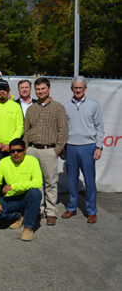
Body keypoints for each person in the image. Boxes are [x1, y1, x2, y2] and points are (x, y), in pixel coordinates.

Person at [24, 77, 68, 225]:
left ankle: (51, 212)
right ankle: (38, 209)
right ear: (34, 91)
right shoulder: (31, 109)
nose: (40, 91)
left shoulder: (58, 107)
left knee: (50, 182)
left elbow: (63, 130)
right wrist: (26, 148)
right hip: (32, 150)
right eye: (38, 89)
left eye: (43, 88)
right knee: (36, 183)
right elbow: (26, 130)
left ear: (48, 89)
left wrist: (57, 150)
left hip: (49, 150)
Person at [62, 76, 104, 224]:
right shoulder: (65, 106)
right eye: (75, 87)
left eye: (80, 88)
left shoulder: (94, 105)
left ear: (85, 89)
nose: (78, 90)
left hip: (88, 147)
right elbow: (63, 128)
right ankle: (72, 207)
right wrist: (62, 147)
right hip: (71, 147)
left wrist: (99, 147)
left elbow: (99, 126)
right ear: (72, 89)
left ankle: (91, 211)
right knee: (72, 180)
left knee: (89, 181)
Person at [0, 138, 42, 241]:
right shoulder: (3, 162)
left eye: (19, 150)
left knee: (35, 193)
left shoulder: (32, 161)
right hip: (12, 198)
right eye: (12, 151)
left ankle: (28, 227)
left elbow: (38, 182)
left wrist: (13, 186)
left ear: (25, 150)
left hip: (27, 196)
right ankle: (18, 216)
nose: (16, 153)